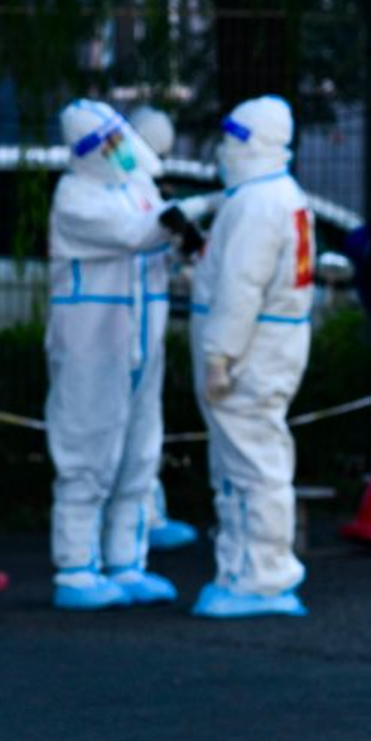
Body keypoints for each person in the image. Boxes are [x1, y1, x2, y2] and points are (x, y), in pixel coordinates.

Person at [44, 100, 198, 610]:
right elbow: (133, 233)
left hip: (140, 342)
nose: (115, 153)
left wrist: (181, 234)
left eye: (115, 140)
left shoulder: (138, 190)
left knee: (139, 451)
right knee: (86, 450)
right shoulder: (75, 197)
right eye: (103, 145)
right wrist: (179, 220)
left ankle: (127, 562)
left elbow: (155, 234)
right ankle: (76, 566)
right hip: (92, 347)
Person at [190, 95, 315, 620]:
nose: (223, 149)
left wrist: (218, 356)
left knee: (250, 466)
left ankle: (258, 576)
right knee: (255, 460)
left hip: (251, 355)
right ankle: (253, 571)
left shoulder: (255, 203)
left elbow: (241, 288)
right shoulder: (281, 196)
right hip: (271, 348)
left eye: (231, 137)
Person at [127, 103, 204, 553]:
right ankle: (129, 520)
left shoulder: (144, 192)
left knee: (144, 423)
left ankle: (145, 513)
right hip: (121, 328)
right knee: (119, 427)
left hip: (143, 323)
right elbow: (136, 237)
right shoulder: (112, 195)